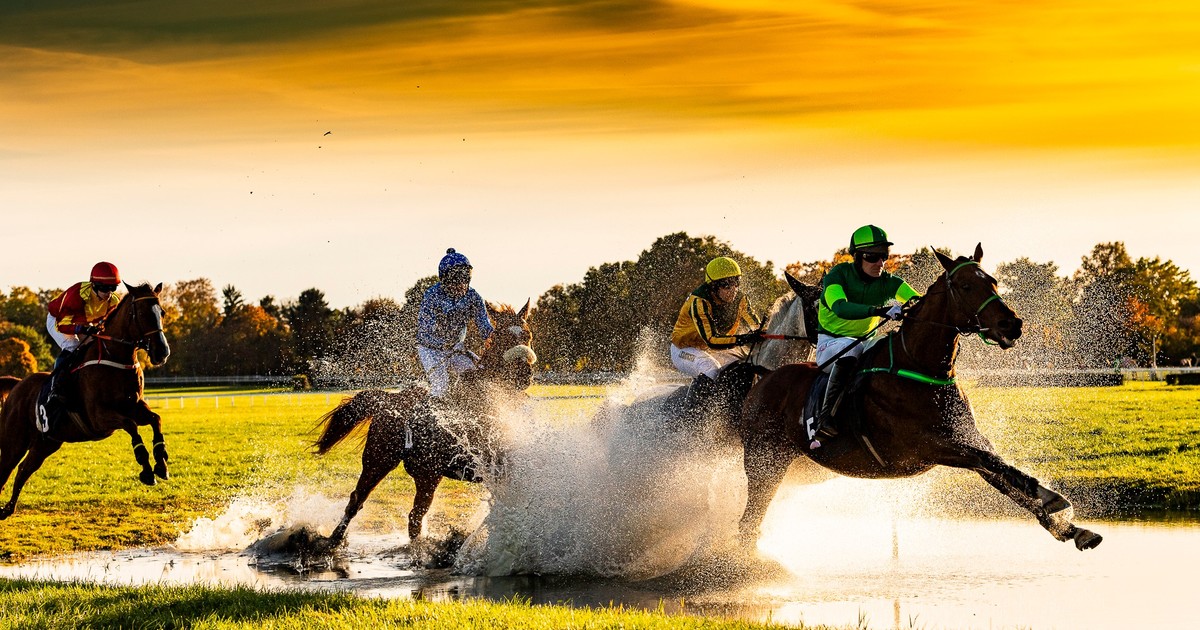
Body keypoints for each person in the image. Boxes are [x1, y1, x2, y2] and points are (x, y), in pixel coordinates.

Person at [810, 225, 920, 445]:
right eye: (872, 257)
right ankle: (825, 419)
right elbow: (840, 307)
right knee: (851, 351)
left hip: (865, 341)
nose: (880, 263)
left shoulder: (888, 282)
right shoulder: (837, 275)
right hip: (830, 344)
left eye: (884, 256)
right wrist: (878, 311)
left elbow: (920, 302)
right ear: (857, 257)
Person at [669, 256, 763, 411]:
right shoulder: (699, 302)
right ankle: (691, 418)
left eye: (736, 283)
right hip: (684, 350)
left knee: (752, 359)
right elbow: (712, 340)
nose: (733, 289)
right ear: (713, 286)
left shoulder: (741, 299)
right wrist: (743, 338)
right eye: (726, 285)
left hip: (712, 349)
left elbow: (756, 325)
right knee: (710, 367)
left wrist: (762, 333)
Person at [39, 262, 122, 430]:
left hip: (84, 323)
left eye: (113, 288)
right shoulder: (78, 294)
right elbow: (63, 325)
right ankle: (56, 387)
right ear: (95, 285)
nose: (109, 293)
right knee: (72, 346)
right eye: (106, 289)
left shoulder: (113, 302)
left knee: (94, 347)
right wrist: (82, 328)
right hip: (59, 320)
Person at [416, 248, 495, 401]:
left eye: (464, 279)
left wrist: (495, 336)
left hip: (457, 349)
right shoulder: (431, 295)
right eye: (456, 280)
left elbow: (484, 326)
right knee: (441, 387)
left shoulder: (474, 297)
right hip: (431, 350)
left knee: (477, 379)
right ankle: (424, 418)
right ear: (444, 280)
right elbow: (425, 327)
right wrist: (443, 341)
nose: (461, 285)